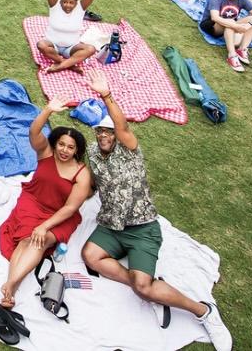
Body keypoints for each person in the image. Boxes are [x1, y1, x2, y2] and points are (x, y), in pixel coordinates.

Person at [79, 68, 231, 349]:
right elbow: (90, 180)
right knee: (90, 255)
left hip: (141, 229)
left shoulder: (129, 148)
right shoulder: (92, 151)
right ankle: (149, 290)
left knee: (145, 287)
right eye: (100, 130)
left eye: (108, 131)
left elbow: (122, 125)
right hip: (111, 225)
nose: (104, 135)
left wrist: (106, 95)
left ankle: (204, 311)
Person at [0, 102, 90, 309]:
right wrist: (48, 110)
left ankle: (10, 286)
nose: (64, 150)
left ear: (77, 150)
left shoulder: (82, 173)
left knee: (39, 240)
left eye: (70, 147)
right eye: (61, 144)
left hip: (60, 214)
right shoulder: (45, 153)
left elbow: (70, 208)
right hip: (33, 202)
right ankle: (12, 287)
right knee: (25, 241)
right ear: (55, 143)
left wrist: (44, 226)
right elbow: (33, 131)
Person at [37, 0, 110, 73]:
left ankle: (60, 66)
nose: (68, 5)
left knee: (91, 49)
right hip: (52, 45)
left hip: (71, 48)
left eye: (71, 3)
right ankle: (69, 64)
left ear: (76, 3)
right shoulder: (54, 5)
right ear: (60, 1)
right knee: (41, 45)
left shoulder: (81, 7)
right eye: (65, 2)